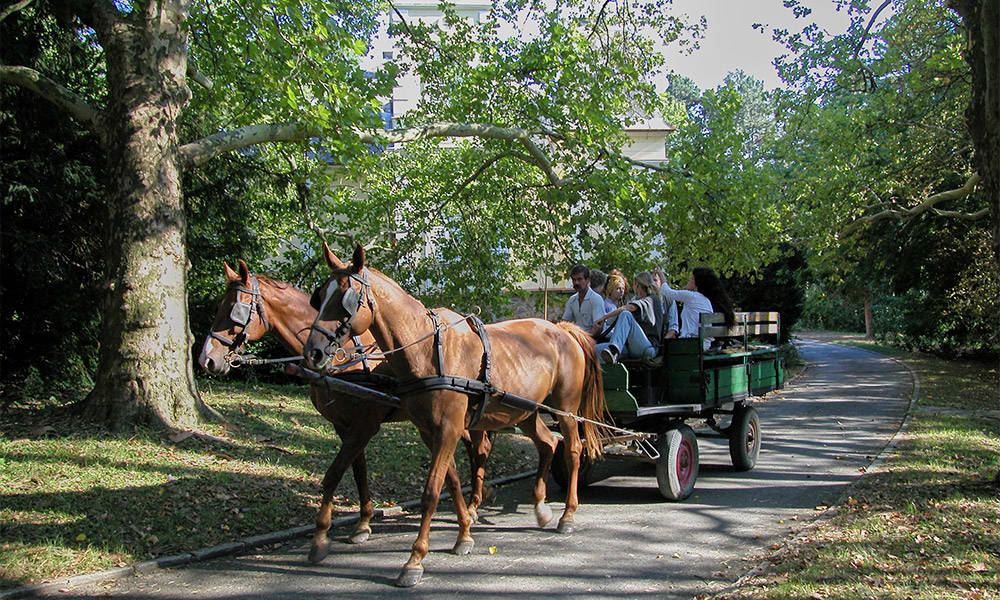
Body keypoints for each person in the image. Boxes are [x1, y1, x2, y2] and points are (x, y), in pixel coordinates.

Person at [591, 271, 669, 363]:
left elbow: (628, 308)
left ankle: (613, 351)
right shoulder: (638, 300)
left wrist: (603, 318)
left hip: (648, 347)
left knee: (626, 314)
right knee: (593, 350)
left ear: (637, 285)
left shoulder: (651, 299)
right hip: (631, 346)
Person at [659, 267, 735, 350]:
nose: (689, 279)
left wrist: (661, 275)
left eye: (692, 278)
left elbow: (667, 292)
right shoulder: (705, 300)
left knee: (664, 351)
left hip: (692, 344)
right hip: (704, 344)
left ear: (697, 283)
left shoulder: (691, 296)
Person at [560, 264, 607, 331]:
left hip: (594, 339)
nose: (576, 283)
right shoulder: (572, 300)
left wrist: (587, 339)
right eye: (574, 280)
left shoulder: (596, 299)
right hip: (578, 337)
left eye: (579, 279)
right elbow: (564, 322)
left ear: (587, 280)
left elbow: (598, 327)